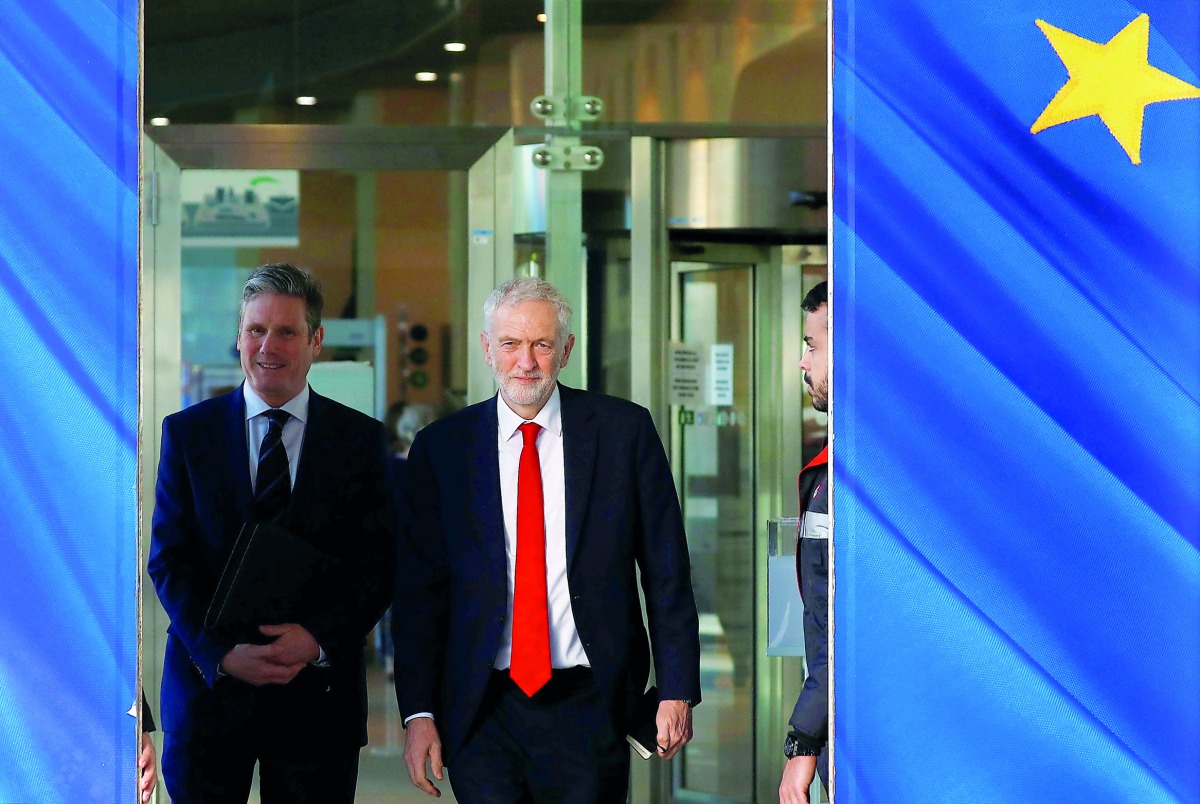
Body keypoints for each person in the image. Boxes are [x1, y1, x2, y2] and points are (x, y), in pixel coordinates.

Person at [394, 276, 701, 802]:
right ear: (489, 350)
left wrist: (676, 688)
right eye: (511, 344)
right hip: (480, 705)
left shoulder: (624, 433)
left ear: (566, 350)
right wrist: (418, 713)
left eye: (542, 344)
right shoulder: (442, 450)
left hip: (590, 701)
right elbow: (419, 593)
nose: (526, 362)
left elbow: (666, 568)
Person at [148, 262, 397, 802]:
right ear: (238, 337)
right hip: (208, 693)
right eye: (256, 330)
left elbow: (378, 565)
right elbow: (169, 559)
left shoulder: (360, 441)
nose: (269, 346)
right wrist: (221, 652)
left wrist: (316, 640)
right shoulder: (189, 434)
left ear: (316, 341)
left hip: (318, 699)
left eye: (287, 331)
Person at [780, 280, 830, 803]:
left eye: (812, 346)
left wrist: (802, 745)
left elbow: (834, 627)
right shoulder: (830, 469)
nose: (803, 363)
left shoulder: (854, 479)